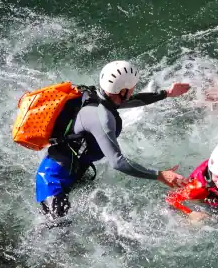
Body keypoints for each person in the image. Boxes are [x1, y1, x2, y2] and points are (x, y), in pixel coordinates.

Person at [35, 60, 190, 218]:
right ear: (122, 91)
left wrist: (167, 93)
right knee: (57, 230)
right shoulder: (102, 118)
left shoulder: (99, 97)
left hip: (73, 170)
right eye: (131, 88)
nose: (132, 91)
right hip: (52, 181)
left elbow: (132, 100)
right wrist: (160, 175)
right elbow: (118, 162)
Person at [166, 142, 218, 220]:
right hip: (204, 192)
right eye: (217, 176)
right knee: (198, 221)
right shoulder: (198, 185)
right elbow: (171, 199)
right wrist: (190, 213)